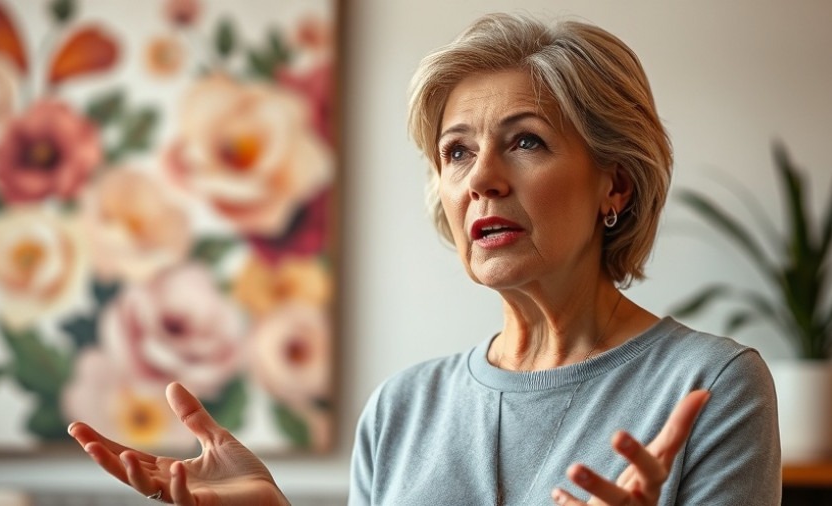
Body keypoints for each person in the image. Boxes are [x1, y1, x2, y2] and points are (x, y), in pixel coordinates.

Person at [68, 12, 781, 505]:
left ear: (614, 183)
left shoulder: (712, 385)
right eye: (457, 152)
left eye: (525, 141)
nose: (480, 179)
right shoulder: (402, 408)